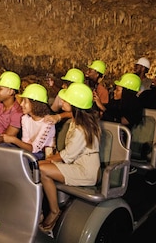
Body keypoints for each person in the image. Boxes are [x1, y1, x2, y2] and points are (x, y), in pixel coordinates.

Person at [39, 83, 101, 231]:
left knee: (41, 169)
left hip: (85, 170)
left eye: (66, 101)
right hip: (78, 165)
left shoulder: (81, 128)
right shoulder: (77, 120)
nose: (62, 102)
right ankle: (47, 209)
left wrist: (47, 159)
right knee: (41, 167)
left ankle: (54, 212)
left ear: (75, 105)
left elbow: (68, 155)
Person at [1, 83, 55, 160]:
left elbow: (34, 149)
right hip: (27, 150)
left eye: (25, 101)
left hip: (40, 153)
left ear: (35, 104)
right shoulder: (25, 119)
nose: (21, 104)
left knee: (22, 158)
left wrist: (13, 139)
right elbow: (25, 142)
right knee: (3, 147)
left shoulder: (48, 123)